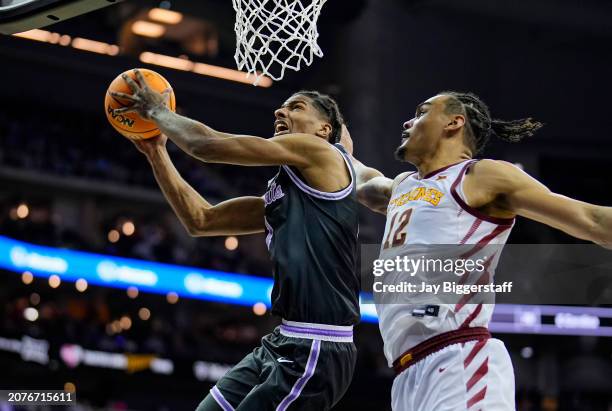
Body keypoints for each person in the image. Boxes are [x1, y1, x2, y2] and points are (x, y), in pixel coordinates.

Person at [343, 91, 612, 411]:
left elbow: (591, 219)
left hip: (459, 358)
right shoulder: (402, 187)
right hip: (406, 374)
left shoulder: (480, 175)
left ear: (454, 122)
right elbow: (356, 177)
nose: (408, 121)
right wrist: (328, 135)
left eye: (421, 112)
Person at [111, 70, 360, 411]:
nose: (280, 112)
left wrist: (157, 111)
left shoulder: (322, 153)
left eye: (296, 107)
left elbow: (207, 146)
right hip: (283, 340)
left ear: (323, 130)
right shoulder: (281, 199)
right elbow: (201, 221)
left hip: (319, 345)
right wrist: (156, 152)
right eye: (281, 107)